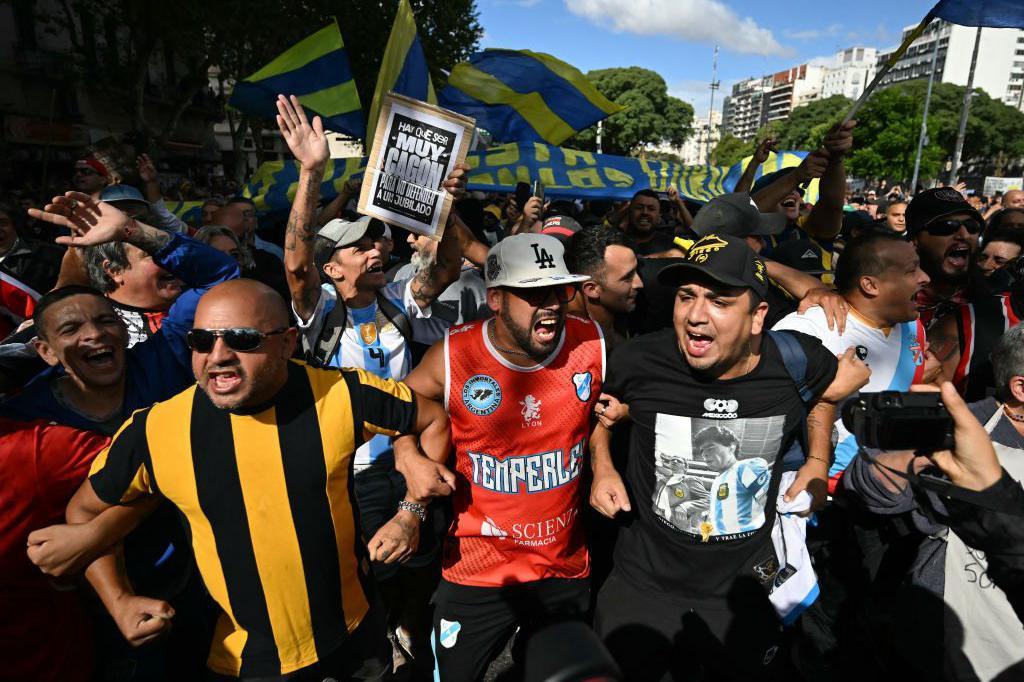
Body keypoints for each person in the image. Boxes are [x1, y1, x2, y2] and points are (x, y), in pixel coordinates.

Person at [57, 278, 453, 681]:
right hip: (239, 663)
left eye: (242, 339)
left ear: (287, 342)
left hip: (355, 635)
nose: (218, 356)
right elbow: (83, 512)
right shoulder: (154, 429)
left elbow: (432, 418)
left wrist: (410, 510)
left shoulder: (342, 394)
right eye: (201, 340)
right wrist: (118, 600)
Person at [589, 234, 864, 680]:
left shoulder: (796, 360)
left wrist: (816, 461)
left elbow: (822, 396)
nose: (696, 316)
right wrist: (603, 466)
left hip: (743, 592)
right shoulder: (640, 360)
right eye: (686, 297)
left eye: (718, 301)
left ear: (758, 317)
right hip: (643, 585)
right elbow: (600, 413)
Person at [275, 94, 466, 675]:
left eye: (379, 241)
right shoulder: (317, 313)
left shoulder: (396, 304)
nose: (378, 247)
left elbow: (449, 267)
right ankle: (378, 642)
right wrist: (311, 174)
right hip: (349, 477)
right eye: (361, 245)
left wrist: (449, 204)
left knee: (421, 562)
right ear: (334, 267)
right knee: (365, 572)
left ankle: (409, 626)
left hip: (411, 458)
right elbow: (296, 264)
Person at [402, 233, 602, 682]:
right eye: (532, 294)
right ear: (495, 299)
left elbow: (615, 409)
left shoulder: (592, 344)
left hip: (562, 567)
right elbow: (402, 407)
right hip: (476, 569)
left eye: (557, 291)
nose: (550, 304)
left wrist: (604, 454)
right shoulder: (455, 354)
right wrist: (407, 455)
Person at [843, 327, 1024, 681]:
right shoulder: (968, 425)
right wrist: (925, 446)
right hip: (951, 631)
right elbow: (866, 488)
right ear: (1020, 388)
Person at [774, 231, 932, 490]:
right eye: (911, 271)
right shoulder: (810, 329)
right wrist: (828, 392)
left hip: (886, 485)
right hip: (823, 493)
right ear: (870, 285)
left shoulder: (913, 326)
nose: (925, 277)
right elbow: (762, 403)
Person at [907, 187, 984, 325]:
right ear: (915, 239)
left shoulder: (997, 302)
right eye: (947, 226)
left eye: (972, 226)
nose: (964, 235)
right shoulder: (883, 300)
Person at [564, 223, 642, 351]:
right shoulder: (576, 347)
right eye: (627, 278)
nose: (640, 284)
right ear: (592, 289)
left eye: (637, 270)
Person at [618, 189, 684, 257]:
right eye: (639, 208)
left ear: (659, 215)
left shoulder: (671, 243)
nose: (645, 212)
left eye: (651, 209)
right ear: (629, 211)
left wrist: (679, 202)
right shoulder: (616, 242)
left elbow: (694, 232)